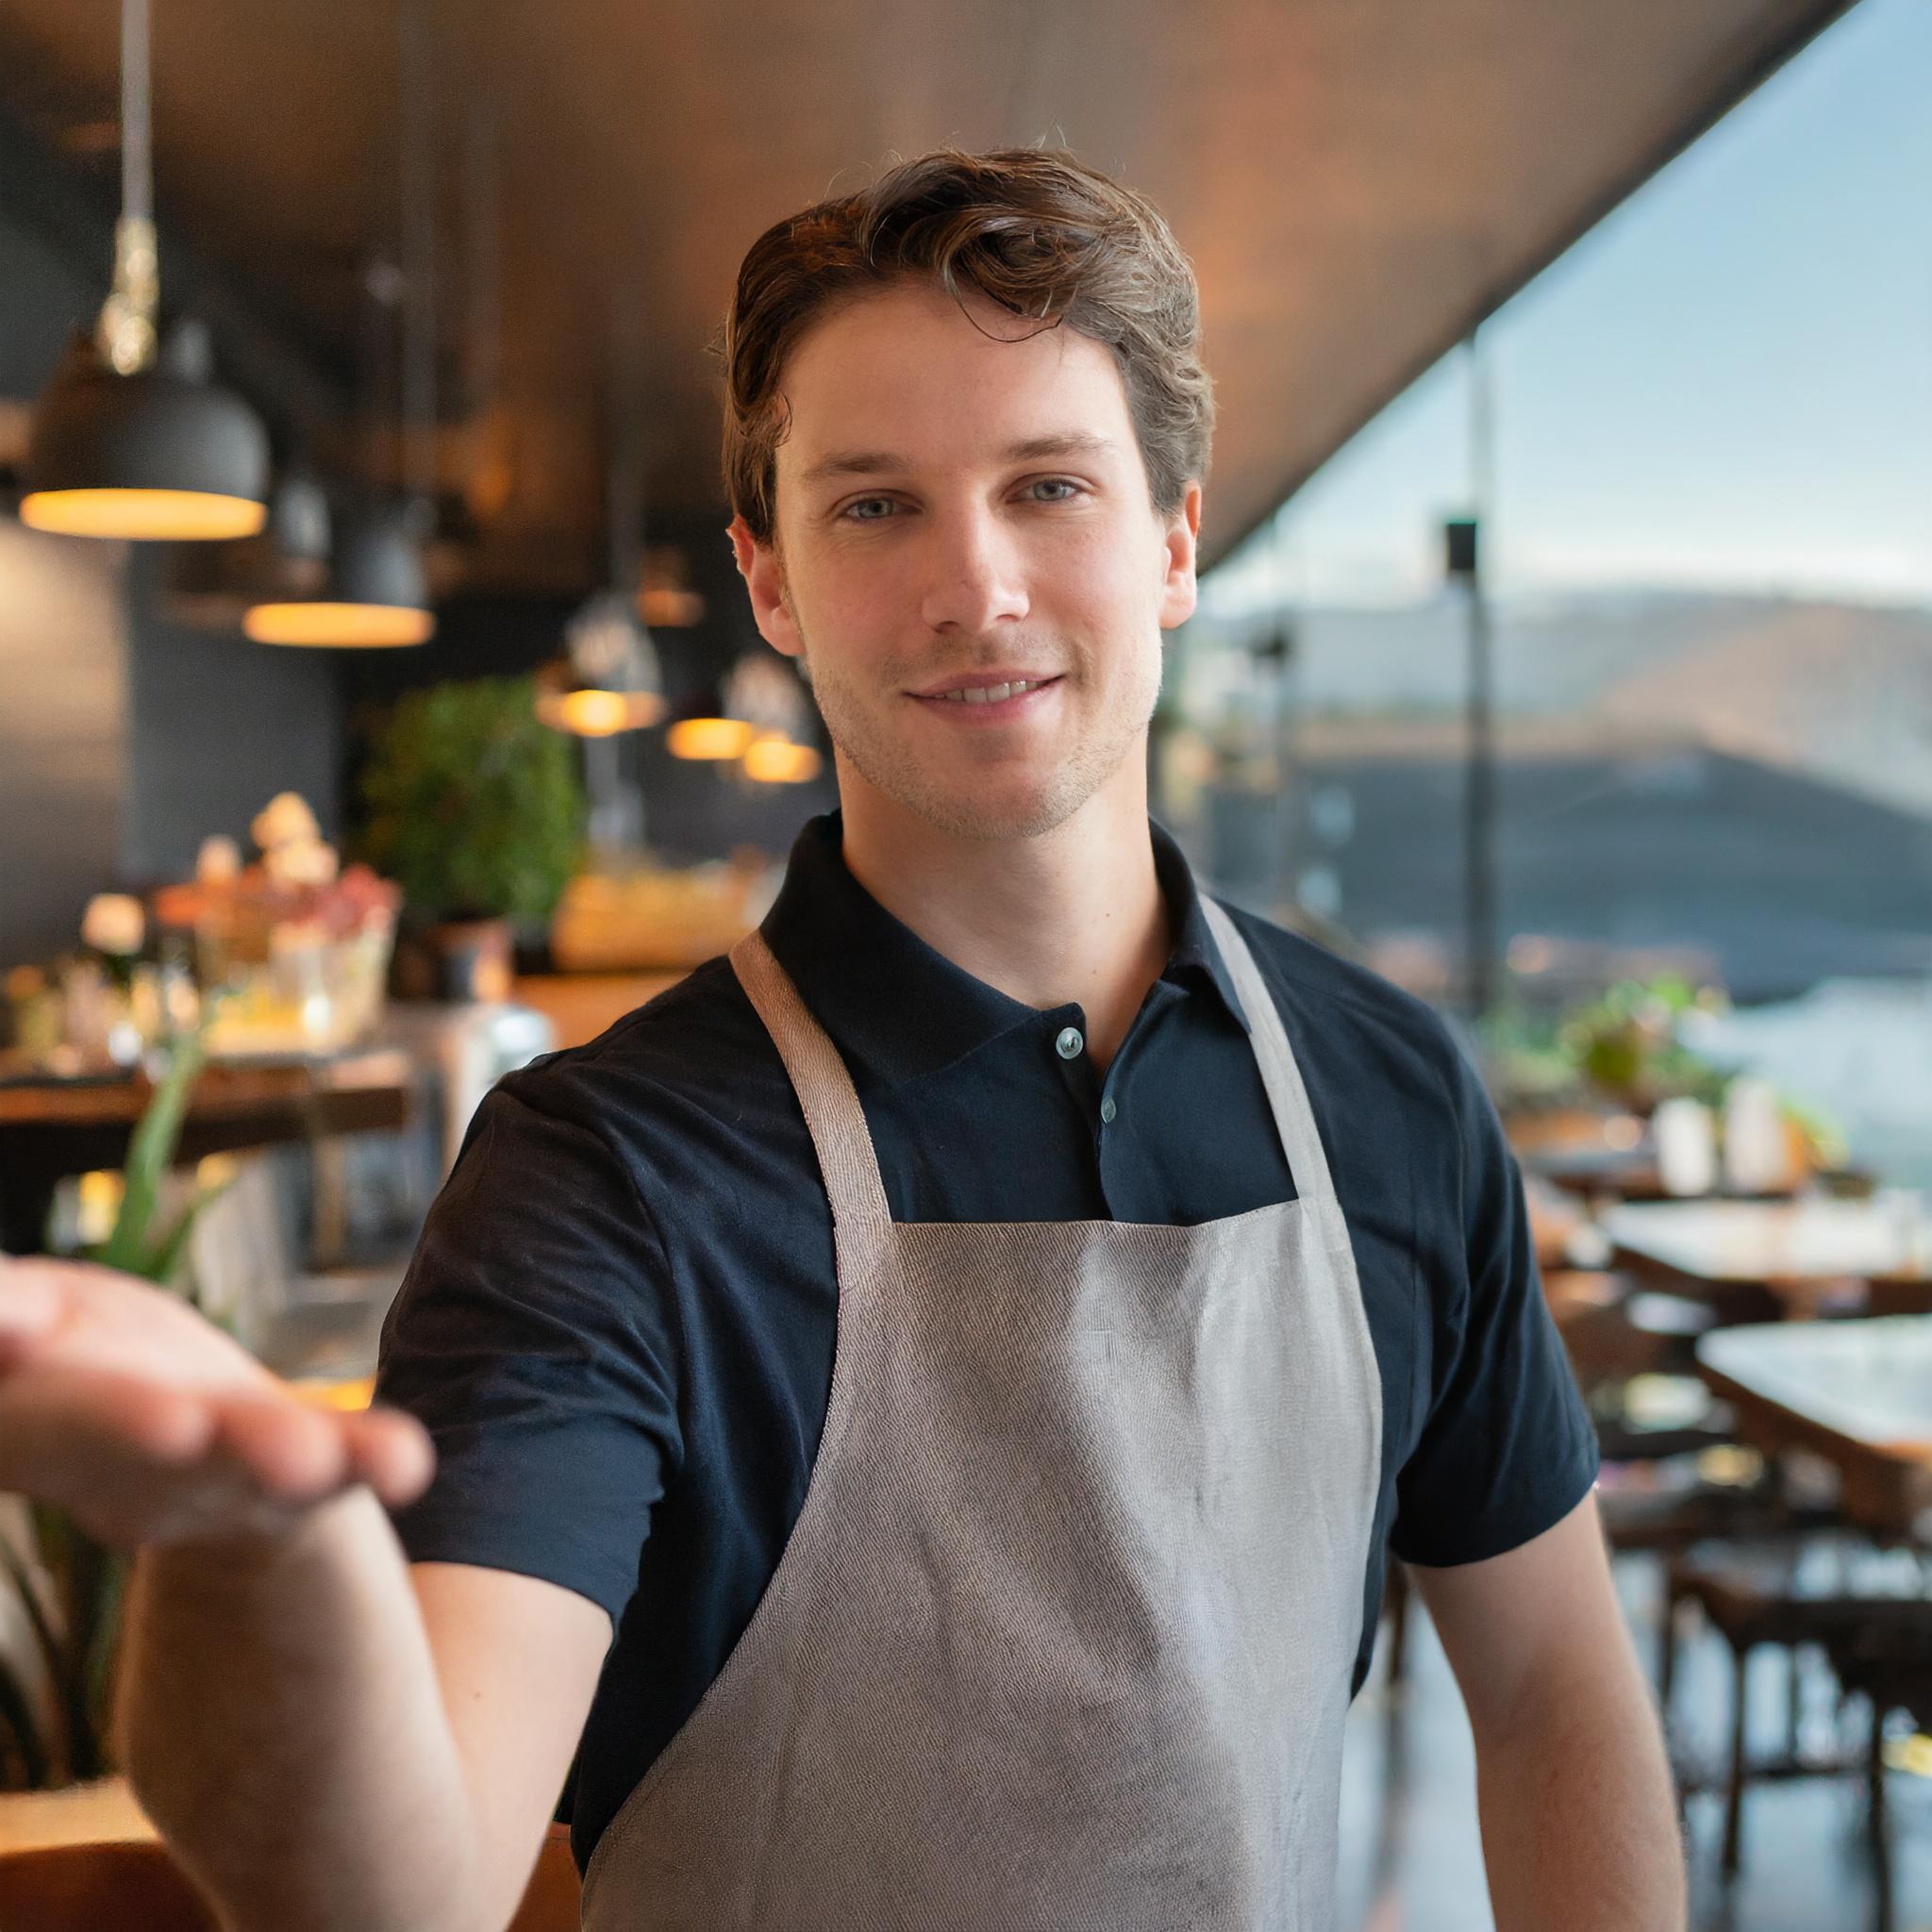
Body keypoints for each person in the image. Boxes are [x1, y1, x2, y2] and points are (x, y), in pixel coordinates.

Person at [0, 148, 1683, 1930]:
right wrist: (245, 1553)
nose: (977, 587)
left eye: (1049, 486)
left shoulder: (1390, 1093)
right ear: (772, 581)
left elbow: (1560, 1692)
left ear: (1176, 539)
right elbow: (400, 1894)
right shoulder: (606, 1179)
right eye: (874, 506)